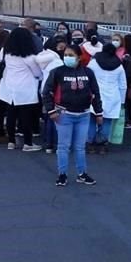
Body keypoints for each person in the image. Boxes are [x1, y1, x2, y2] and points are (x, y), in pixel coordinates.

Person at [42, 45, 103, 187]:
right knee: (63, 146)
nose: (67, 57)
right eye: (65, 55)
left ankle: (82, 173)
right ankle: (62, 174)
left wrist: (99, 112)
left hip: (84, 114)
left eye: (71, 55)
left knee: (80, 147)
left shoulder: (88, 72)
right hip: (64, 114)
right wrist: (51, 111)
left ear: (79, 57)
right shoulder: (57, 72)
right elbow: (46, 92)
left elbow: (95, 93)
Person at [0, 27, 44, 152]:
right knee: (26, 117)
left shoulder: (6, 53)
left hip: (9, 87)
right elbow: (38, 73)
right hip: (25, 89)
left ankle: (11, 141)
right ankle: (28, 143)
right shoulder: (29, 57)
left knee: (11, 115)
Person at [87, 41, 127, 154]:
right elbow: (123, 84)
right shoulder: (119, 65)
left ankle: (90, 143)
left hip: (96, 95)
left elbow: (88, 77)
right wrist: (122, 101)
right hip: (112, 96)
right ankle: (103, 144)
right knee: (107, 121)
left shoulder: (94, 63)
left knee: (92, 120)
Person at [38, 35, 68, 154]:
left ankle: (48, 143)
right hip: (55, 92)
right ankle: (56, 144)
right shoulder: (57, 62)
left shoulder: (44, 57)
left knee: (48, 118)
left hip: (44, 90)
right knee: (56, 119)